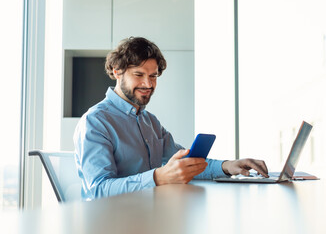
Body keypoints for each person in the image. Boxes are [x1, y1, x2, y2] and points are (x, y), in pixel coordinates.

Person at [73, 37, 269, 200]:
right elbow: (97, 191)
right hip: (113, 222)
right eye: (138, 74)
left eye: (153, 76)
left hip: (153, 214)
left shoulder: (151, 122)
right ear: (117, 71)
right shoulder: (95, 122)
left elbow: (184, 165)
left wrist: (228, 166)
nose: (147, 84)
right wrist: (158, 177)